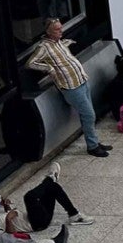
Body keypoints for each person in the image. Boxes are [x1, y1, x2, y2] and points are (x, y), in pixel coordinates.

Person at [25, 19, 108, 157]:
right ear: (48, 32)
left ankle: (94, 142)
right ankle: (92, 146)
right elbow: (30, 63)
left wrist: (66, 43)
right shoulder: (44, 47)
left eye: (60, 28)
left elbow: (62, 50)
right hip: (71, 87)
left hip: (81, 80)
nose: (61, 31)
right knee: (88, 114)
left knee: (88, 114)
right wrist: (48, 68)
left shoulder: (59, 42)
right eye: (57, 29)